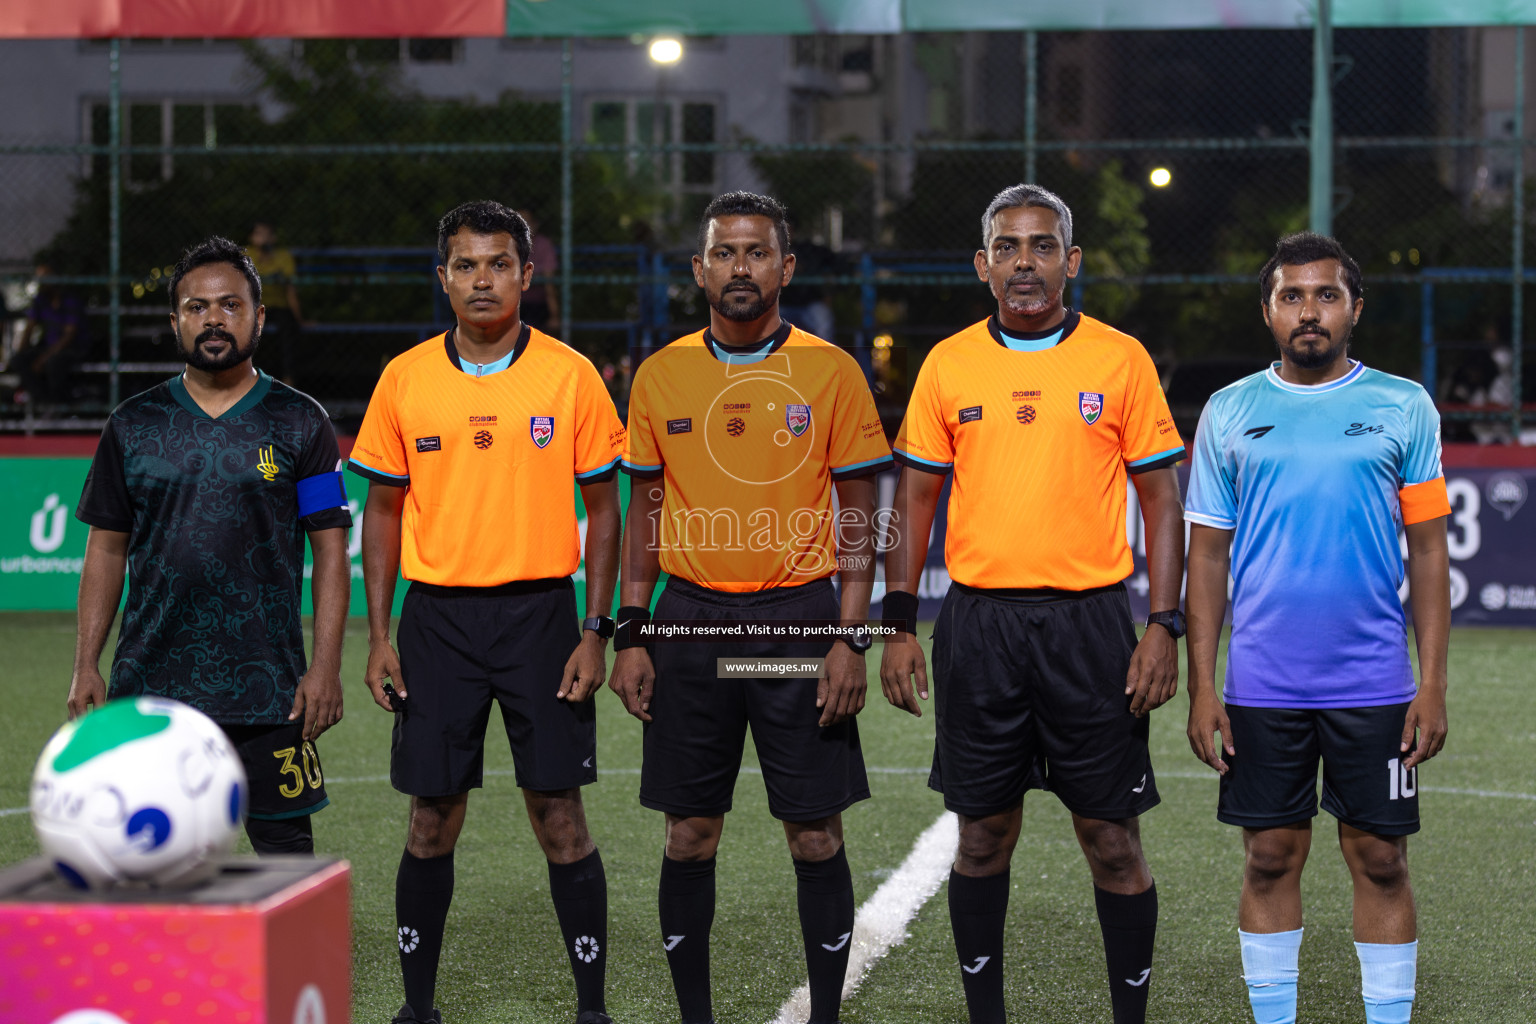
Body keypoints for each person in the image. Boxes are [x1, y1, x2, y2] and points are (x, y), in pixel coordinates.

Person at [879, 183, 1186, 1024]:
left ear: (1070, 262)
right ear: (983, 266)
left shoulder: (1119, 360)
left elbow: (1162, 500)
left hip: (1092, 628)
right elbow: (912, 504)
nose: (1025, 262)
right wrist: (897, 625)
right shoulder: (947, 363)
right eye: (1008, 247)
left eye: (1043, 246)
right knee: (981, 837)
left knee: (1113, 840)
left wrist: (1164, 624)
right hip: (979, 627)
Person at [609, 190, 892, 1024]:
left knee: (814, 834)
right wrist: (631, 630)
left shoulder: (832, 372)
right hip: (691, 626)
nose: (741, 267)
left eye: (758, 252)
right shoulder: (660, 376)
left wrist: (851, 638)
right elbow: (646, 515)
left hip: (791, 629)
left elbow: (857, 520)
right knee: (689, 834)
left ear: (786, 267)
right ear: (699, 271)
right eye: (725, 253)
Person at [350, 200, 624, 1024]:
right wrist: (379, 635)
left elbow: (606, 511)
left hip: (544, 619)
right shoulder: (404, 377)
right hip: (436, 624)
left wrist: (594, 630)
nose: (481, 279)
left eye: (498, 263)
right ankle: (417, 1009)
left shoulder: (570, 375)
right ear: (443, 279)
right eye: (465, 265)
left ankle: (591, 1010)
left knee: (560, 816)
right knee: (431, 816)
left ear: (526, 276)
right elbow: (384, 511)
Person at [1183, 233, 1450, 1024]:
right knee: (1269, 857)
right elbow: (1205, 560)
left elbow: (1430, 555)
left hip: (1374, 682)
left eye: (1326, 295)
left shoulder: (1403, 406)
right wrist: (1204, 687)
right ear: (1267, 311)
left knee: (1382, 859)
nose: (1310, 311)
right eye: (1291, 296)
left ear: (1354, 309)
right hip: (1263, 685)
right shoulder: (1230, 412)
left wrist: (1432, 684)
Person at [69, 236, 351, 857]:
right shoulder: (133, 424)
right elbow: (107, 549)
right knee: (153, 866)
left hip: (271, 688)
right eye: (197, 307)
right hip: (151, 688)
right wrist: (87, 662)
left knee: (286, 865)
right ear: (174, 322)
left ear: (259, 316)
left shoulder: (302, 421)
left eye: (230, 305)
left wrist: (325, 665)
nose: (214, 319)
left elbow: (332, 551)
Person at [9, 264, 88, 406]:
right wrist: (21, 352)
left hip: (71, 348)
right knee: (18, 361)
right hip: (50, 348)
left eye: (45, 278)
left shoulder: (69, 299)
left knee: (54, 364)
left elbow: (69, 336)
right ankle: (43, 402)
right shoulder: (41, 299)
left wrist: (44, 358)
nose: (41, 282)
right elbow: (29, 328)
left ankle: (58, 404)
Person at [246, 221, 305, 384]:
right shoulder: (245, 256)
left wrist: (299, 318)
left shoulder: (283, 256)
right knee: (248, 332)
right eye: (259, 234)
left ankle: (288, 380)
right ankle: (248, 382)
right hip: (253, 308)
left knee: (289, 329)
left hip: (279, 307)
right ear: (251, 238)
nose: (263, 238)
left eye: (267, 234)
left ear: (274, 238)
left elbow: (290, 290)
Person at [518, 208, 561, 333]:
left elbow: (549, 283)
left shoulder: (544, 244)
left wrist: (554, 315)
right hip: (510, 304)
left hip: (535, 305)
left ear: (535, 224)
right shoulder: (505, 244)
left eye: (527, 222)